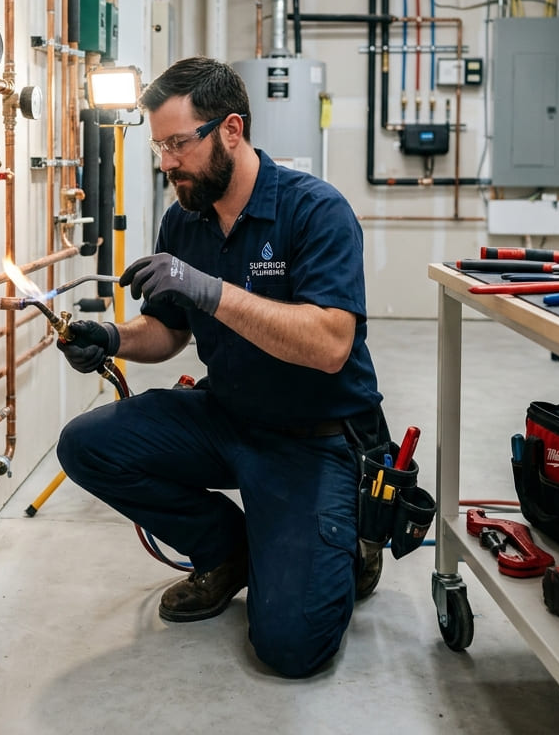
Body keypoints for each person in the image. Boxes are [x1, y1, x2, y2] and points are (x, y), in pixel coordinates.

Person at [56, 56, 389, 678]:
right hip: (227, 415)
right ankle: (228, 551)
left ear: (231, 130)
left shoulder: (315, 212)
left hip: (313, 437)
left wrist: (211, 290)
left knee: (291, 650)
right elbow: (170, 330)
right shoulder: (185, 218)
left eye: (179, 143)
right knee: (87, 445)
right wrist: (110, 336)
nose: (166, 162)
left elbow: (329, 345)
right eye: (159, 146)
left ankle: (343, 543)